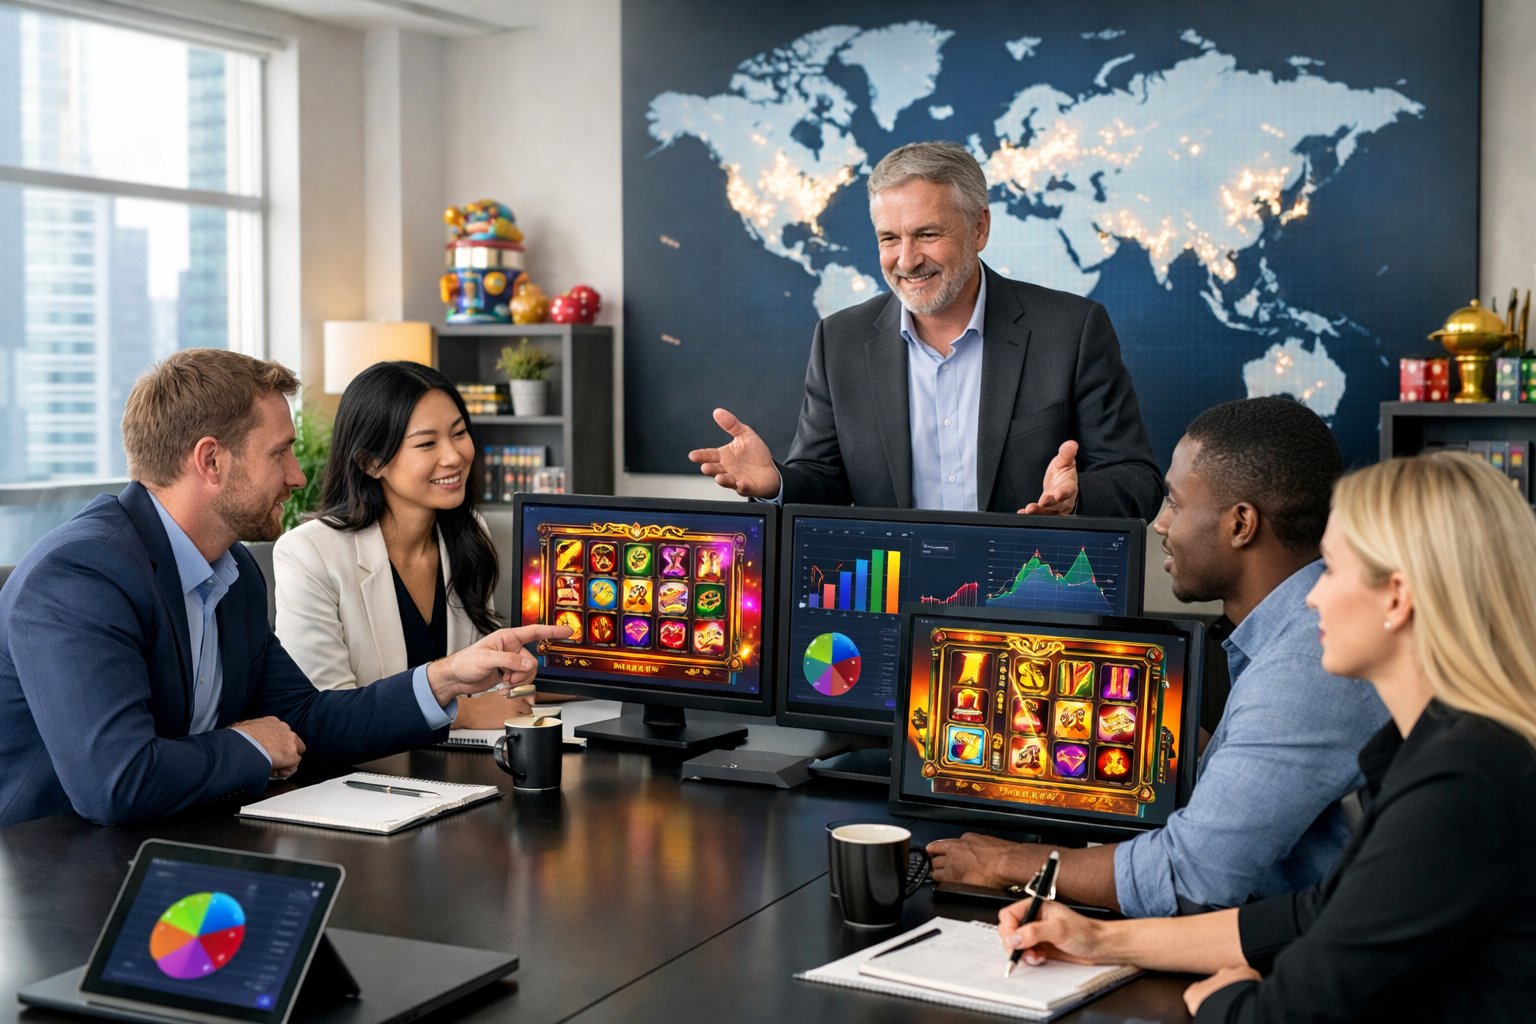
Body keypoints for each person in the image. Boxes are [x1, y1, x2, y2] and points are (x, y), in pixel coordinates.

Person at [1000, 451, 1536, 1022]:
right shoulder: (1454, 751)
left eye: (1333, 570)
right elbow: (1316, 914)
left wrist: (1220, 1001)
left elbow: (1287, 1012)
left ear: (1398, 598)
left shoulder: (1459, 788)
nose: (1312, 597)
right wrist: (1099, 941)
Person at [0, 349, 566, 828]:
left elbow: (308, 719)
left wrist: (444, 678)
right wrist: (249, 745)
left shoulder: (234, 571)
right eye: (280, 453)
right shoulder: (80, 574)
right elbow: (115, 782)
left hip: (180, 838)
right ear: (211, 460)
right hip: (51, 875)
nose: (298, 476)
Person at [929, 398, 1388, 915]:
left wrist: (1009, 863)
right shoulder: (1300, 633)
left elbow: (1189, 878)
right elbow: (1265, 771)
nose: (1160, 523)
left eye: (1174, 502)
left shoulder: (1304, 668)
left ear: (1241, 525)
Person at [688, 140, 1162, 519]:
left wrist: (1078, 498)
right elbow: (825, 480)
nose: (907, 260)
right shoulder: (840, 341)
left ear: (979, 229)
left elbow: (1138, 481)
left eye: (928, 234)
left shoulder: (1072, 330)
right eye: (890, 239)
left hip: (1032, 598)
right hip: (896, 604)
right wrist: (779, 483)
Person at [273, 361, 527, 730]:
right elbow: (325, 711)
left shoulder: (470, 533)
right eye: (427, 443)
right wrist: (463, 713)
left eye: (459, 433)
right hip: (358, 776)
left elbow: (484, 686)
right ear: (371, 462)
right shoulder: (308, 553)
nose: (454, 456)